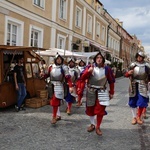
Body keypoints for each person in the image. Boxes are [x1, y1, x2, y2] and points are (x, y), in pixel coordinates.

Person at [80, 52, 115, 136]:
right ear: (95, 59)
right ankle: (92, 124)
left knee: (100, 110)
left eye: (101, 58)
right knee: (90, 109)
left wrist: (111, 92)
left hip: (102, 91)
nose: (99, 59)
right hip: (91, 90)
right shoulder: (89, 67)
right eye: (97, 58)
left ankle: (98, 126)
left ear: (103, 59)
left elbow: (111, 81)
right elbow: (82, 78)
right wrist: (88, 72)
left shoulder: (107, 69)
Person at [42, 53, 73, 124]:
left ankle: (54, 117)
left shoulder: (64, 67)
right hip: (51, 86)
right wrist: (42, 75)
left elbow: (68, 78)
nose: (59, 60)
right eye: (57, 59)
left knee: (55, 101)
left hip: (59, 86)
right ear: (55, 60)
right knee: (54, 101)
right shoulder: (51, 67)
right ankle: (58, 115)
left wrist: (71, 86)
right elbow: (47, 75)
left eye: (60, 59)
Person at [124, 51, 150, 125]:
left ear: (143, 57)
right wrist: (128, 73)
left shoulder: (146, 66)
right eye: (138, 56)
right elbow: (125, 74)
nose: (139, 57)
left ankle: (138, 116)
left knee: (142, 102)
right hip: (133, 84)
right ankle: (134, 117)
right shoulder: (133, 65)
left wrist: (148, 80)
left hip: (143, 85)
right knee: (132, 102)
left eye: (140, 56)